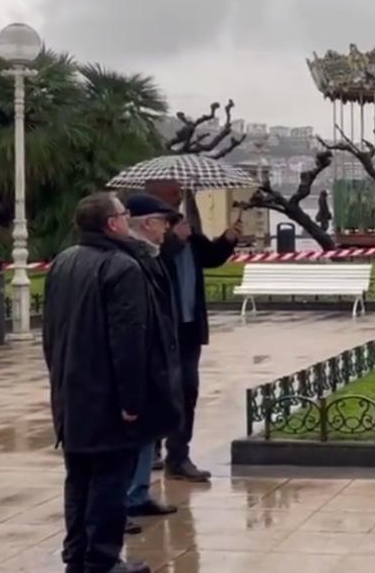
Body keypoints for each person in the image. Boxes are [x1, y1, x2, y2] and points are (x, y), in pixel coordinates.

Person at [42, 193, 154, 573]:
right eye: (124, 214)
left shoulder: (64, 262)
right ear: (112, 224)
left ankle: (77, 555)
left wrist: (57, 378)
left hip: (70, 391)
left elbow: (50, 333)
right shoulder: (122, 267)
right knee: (108, 481)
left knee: (79, 480)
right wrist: (131, 399)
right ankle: (102, 559)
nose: (128, 219)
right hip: (105, 395)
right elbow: (128, 339)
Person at [143, 180, 240, 482]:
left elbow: (209, 257)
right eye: (173, 190)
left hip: (187, 328)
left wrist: (226, 241)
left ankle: (179, 455)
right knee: (156, 392)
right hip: (160, 329)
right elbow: (149, 265)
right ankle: (151, 450)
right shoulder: (147, 232)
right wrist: (172, 241)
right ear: (155, 192)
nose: (178, 194)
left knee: (187, 390)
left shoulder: (185, 226)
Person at [122, 195, 185, 522]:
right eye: (163, 222)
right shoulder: (129, 260)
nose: (166, 229)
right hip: (140, 360)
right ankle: (123, 503)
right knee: (130, 437)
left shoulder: (151, 255)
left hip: (157, 358)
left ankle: (138, 494)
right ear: (147, 224)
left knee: (148, 432)